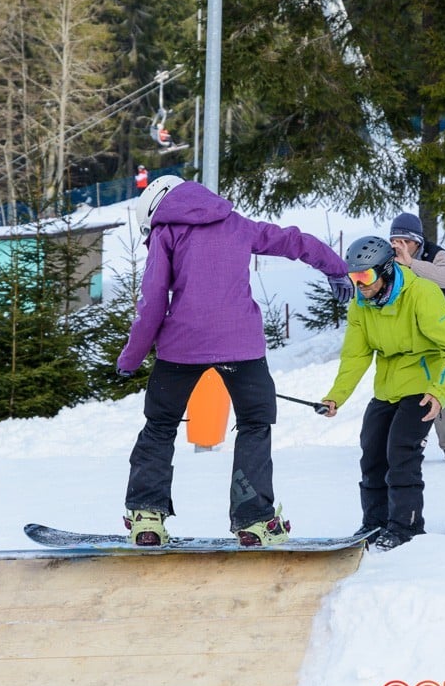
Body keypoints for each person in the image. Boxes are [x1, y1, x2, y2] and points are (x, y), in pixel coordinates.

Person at [116, 176, 353, 547]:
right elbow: (294, 241)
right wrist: (336, 267)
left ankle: (147, 515)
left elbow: (152, 299)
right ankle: (255, 519)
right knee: (255, 424)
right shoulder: (238, 225)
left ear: (156, 208)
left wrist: (132, 356)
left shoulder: (166, 233)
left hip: (182, 347)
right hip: (241, 346)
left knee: (160, 425)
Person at [320, 236, 445, 551]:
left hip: (424, 385)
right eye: (354, 277)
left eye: (366, 276)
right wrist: (335, 396)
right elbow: (356, 356)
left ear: (385, 270)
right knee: (372, 450)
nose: (359, 285)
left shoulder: (422, 294)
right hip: (388, 386)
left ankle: (407, 528)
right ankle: (374, 524)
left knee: (401, 452)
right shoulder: (361, 305)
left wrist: (440, 392)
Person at [390, 212, 445, 463]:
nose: (398, 246)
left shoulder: (435, 254)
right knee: (407, 387)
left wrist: (411, 263)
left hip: (440, 328)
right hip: (408, 331)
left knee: (444, 384)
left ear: (416, 241)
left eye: (404, 240)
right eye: (394, 240)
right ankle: (407, 445)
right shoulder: (390, 258)